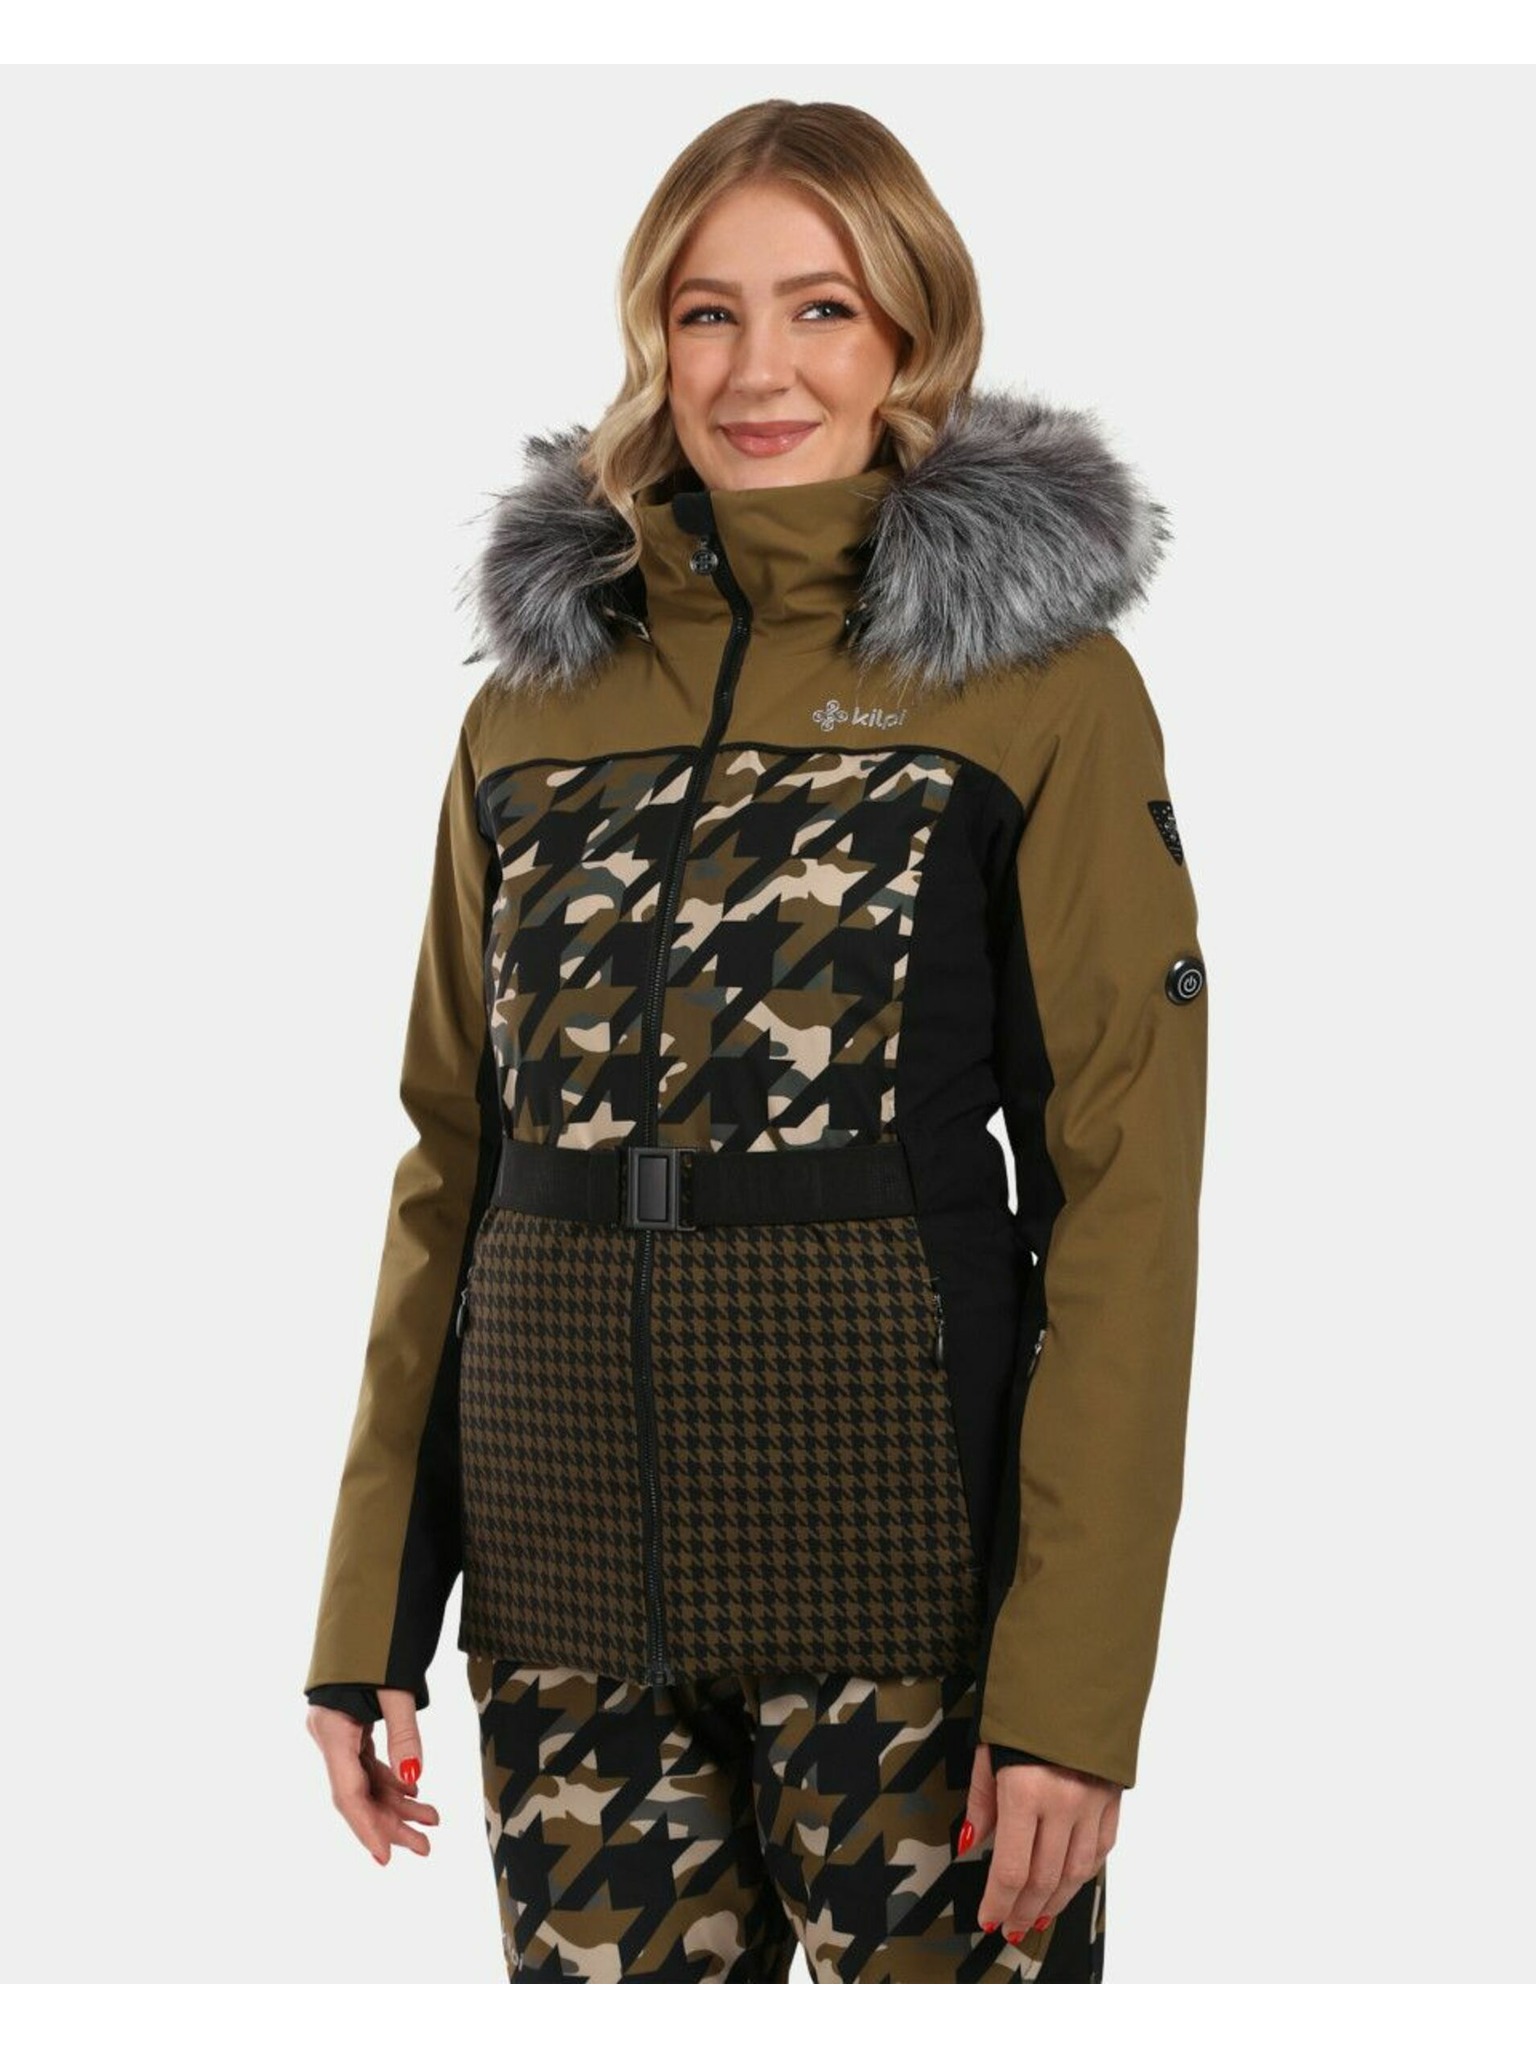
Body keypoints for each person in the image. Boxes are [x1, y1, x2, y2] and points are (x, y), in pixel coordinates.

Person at [303, 97, 1207, 1985]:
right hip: (564, 1592)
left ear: (912, 337)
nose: (758, 368)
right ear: (654, 338)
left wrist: (1074, 1688)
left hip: (906, 1587)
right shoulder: (534, 704)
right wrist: (370, 1610)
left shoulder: (1034, 686)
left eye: (821, 308)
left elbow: (1125, 1193)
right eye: (707, 312)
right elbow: (450, 1157)